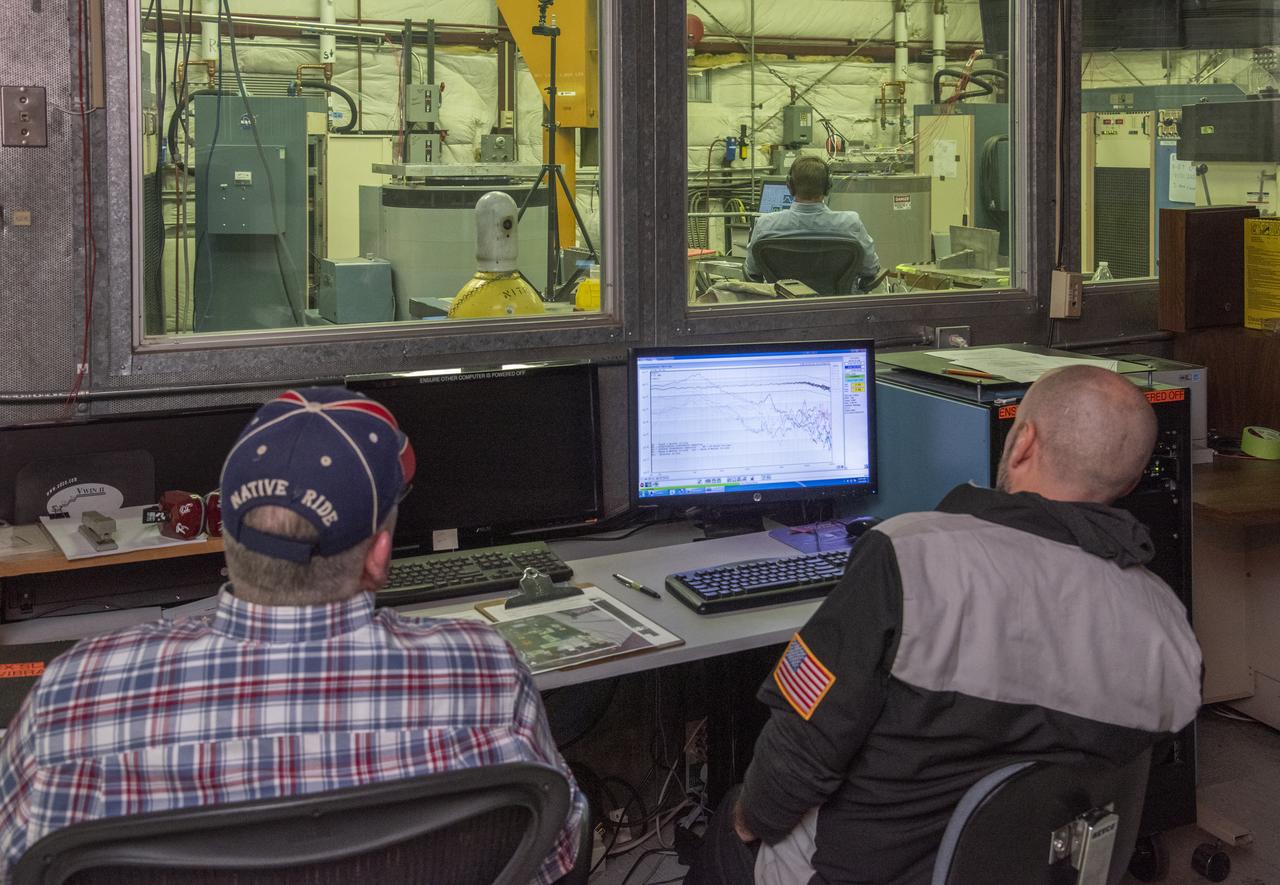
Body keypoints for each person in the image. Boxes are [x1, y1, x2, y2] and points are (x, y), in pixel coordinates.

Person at [0, 387, 585, 884]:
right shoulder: (489, 674)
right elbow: (560, 854)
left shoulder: (71, 698)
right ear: (379, 556)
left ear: (226, 533)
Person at [685, 365, 1203, 885]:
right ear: (1132, 481)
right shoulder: (1168, 628)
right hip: (1037, 872)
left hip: (854, 871)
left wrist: (746, 823)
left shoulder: (909, 556)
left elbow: (799, 751)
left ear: (1022, 442)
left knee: (735, 821)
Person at [743, 156, 881, 292]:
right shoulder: (850, 223)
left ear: (789, 185)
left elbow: (752, 273)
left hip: (784, 310)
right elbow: (871, 270)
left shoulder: (765, 225)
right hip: (838, 310)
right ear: (828, 186)